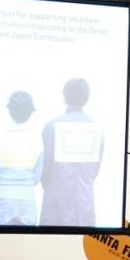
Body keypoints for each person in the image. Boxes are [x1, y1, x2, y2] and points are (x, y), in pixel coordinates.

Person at [39, 78, 103, 227]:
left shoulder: (52, 126)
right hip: (84, 203)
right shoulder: (97, 128)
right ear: (86, 98)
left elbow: (44, 168)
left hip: (55, 202)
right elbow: (95, 169)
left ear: (65, 96)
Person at [0, 91, 43, 225]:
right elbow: (37, 177)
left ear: (10, 111)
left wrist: (3, 182)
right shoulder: (37, 137)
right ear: (31, 112)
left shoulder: (0, 134)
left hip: (3, 194)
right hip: (27, 196)